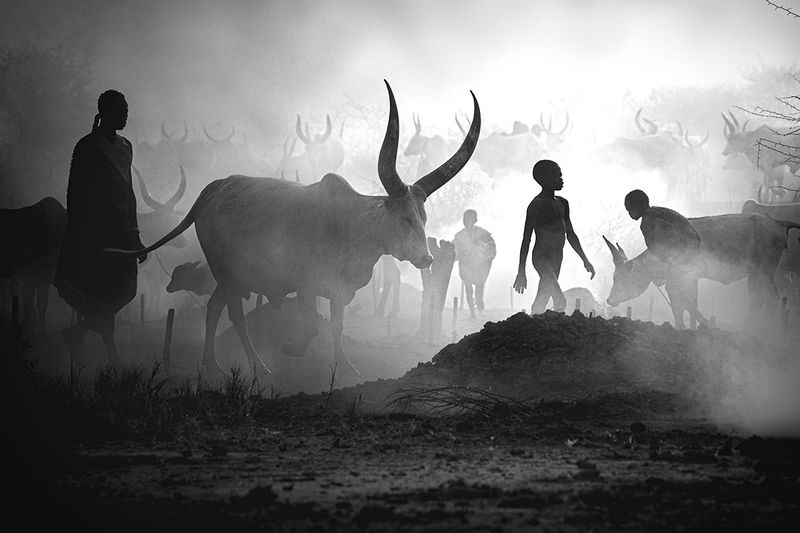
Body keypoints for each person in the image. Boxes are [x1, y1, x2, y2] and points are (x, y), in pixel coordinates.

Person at [54, 89, 146, 364]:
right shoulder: (87, 146)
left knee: (125, 290)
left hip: (123, 231)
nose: (125, 115)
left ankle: (77, 332)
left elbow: (129, 193)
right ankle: (111, 353)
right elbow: (75, 192)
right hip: (96, 233)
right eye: (120, 111)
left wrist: (137, 235)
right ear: (105, 112)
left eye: (127, 110)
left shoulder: (126, 146)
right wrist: (80, 233)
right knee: (102, 293)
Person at [513, 159, 595, 314]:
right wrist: (521, 271)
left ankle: (533, 327)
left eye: (561, 175)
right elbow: (526, 239)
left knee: (542, 298)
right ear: (543, 179)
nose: (561, 179)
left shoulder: (563, 203)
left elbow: (570, 234)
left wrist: (585, 259)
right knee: (560, 299)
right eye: (557, 176)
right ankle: (556, 330)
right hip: (541, 258)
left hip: (557, 257)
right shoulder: (536, 205)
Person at [623, 189, 700, 270]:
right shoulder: (658, 211)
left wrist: (673, 263)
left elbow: (668, 236)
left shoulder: (648, 221)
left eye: (629, 210)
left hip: (685, 256)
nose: (629, 214)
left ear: (637, 207)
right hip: (693, 247)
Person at [454, 209, 496, 318]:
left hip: (480, 266)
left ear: (475, 220)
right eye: (465, 218)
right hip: (466, 266)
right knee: (468, 289)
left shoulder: (483, 233)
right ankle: (472, 313)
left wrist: (481, 246)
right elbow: (455, 250)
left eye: (469, 218)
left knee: (478, 291)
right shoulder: (459, 236)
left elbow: (491, 247)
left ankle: (479, 305)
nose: (466, 221)